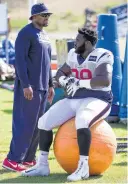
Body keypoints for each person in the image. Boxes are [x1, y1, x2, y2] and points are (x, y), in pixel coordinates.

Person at [22, 27, 114, 181]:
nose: (75, 43)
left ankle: (84, 167)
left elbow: (104, 80)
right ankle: (43, 165)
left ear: (89, 43)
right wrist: (64, 80)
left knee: (82, 120)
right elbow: (60, 73)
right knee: (44, 122)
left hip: (98, 99)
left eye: (78, 40)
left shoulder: (103, 55)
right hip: (74, 99)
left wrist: (79, 82)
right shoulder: (73, 55)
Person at [2, 3, 55, 172]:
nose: (47, 18)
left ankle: (28, 159)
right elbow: (20, 61)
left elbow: (47, 63)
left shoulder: (44, 35)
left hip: (43, 87)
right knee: (25, 124)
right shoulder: (26, 34)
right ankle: (12, 160)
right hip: (29, 87)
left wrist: (51, 85)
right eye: (43, 15)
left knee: (38, 125)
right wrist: (25, 85)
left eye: (48, 15)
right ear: (33, 16)